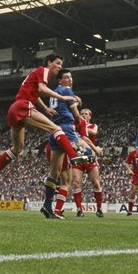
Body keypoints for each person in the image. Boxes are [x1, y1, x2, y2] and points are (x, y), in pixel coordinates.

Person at [0, 54, 92, 192]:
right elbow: (41, 89)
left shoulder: (37, 74)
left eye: (61, 65)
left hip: (15, 108)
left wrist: (46, 108)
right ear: (49, 62)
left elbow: (35, 94)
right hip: (23, 106)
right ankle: (74, 155)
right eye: (57, 63)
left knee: (17, 149)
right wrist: (62, 97)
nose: (59, 67)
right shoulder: (43, 70)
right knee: (56, 129)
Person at [41, 68, 95, 219]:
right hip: (66, 129)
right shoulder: (67, 91)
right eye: (66, 77)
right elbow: (76, 114)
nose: (70, 80)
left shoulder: (54, 94)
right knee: (88, 151)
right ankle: (79, 157)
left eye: (71, 77)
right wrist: (79, 118)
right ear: (59, 80)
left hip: (53, 132)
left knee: (54, 173)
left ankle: (47, 205)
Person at [72, 108, 105, 218]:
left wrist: (81, 125)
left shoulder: (93, 126)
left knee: (96, 183)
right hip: (77, 155)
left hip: (90, 156)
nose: (83, 115)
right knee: (77, 183)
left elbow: (93, 132)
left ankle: (99, 209)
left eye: (86, 114)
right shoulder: (75, 125)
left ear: (90, 116)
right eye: (81, 114)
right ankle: (79, 209)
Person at [124, 148, 138, 216]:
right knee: (133, 191)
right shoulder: (132, 153)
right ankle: (130, 211)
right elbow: (127, 162)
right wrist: (129, 170)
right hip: (136, 175)